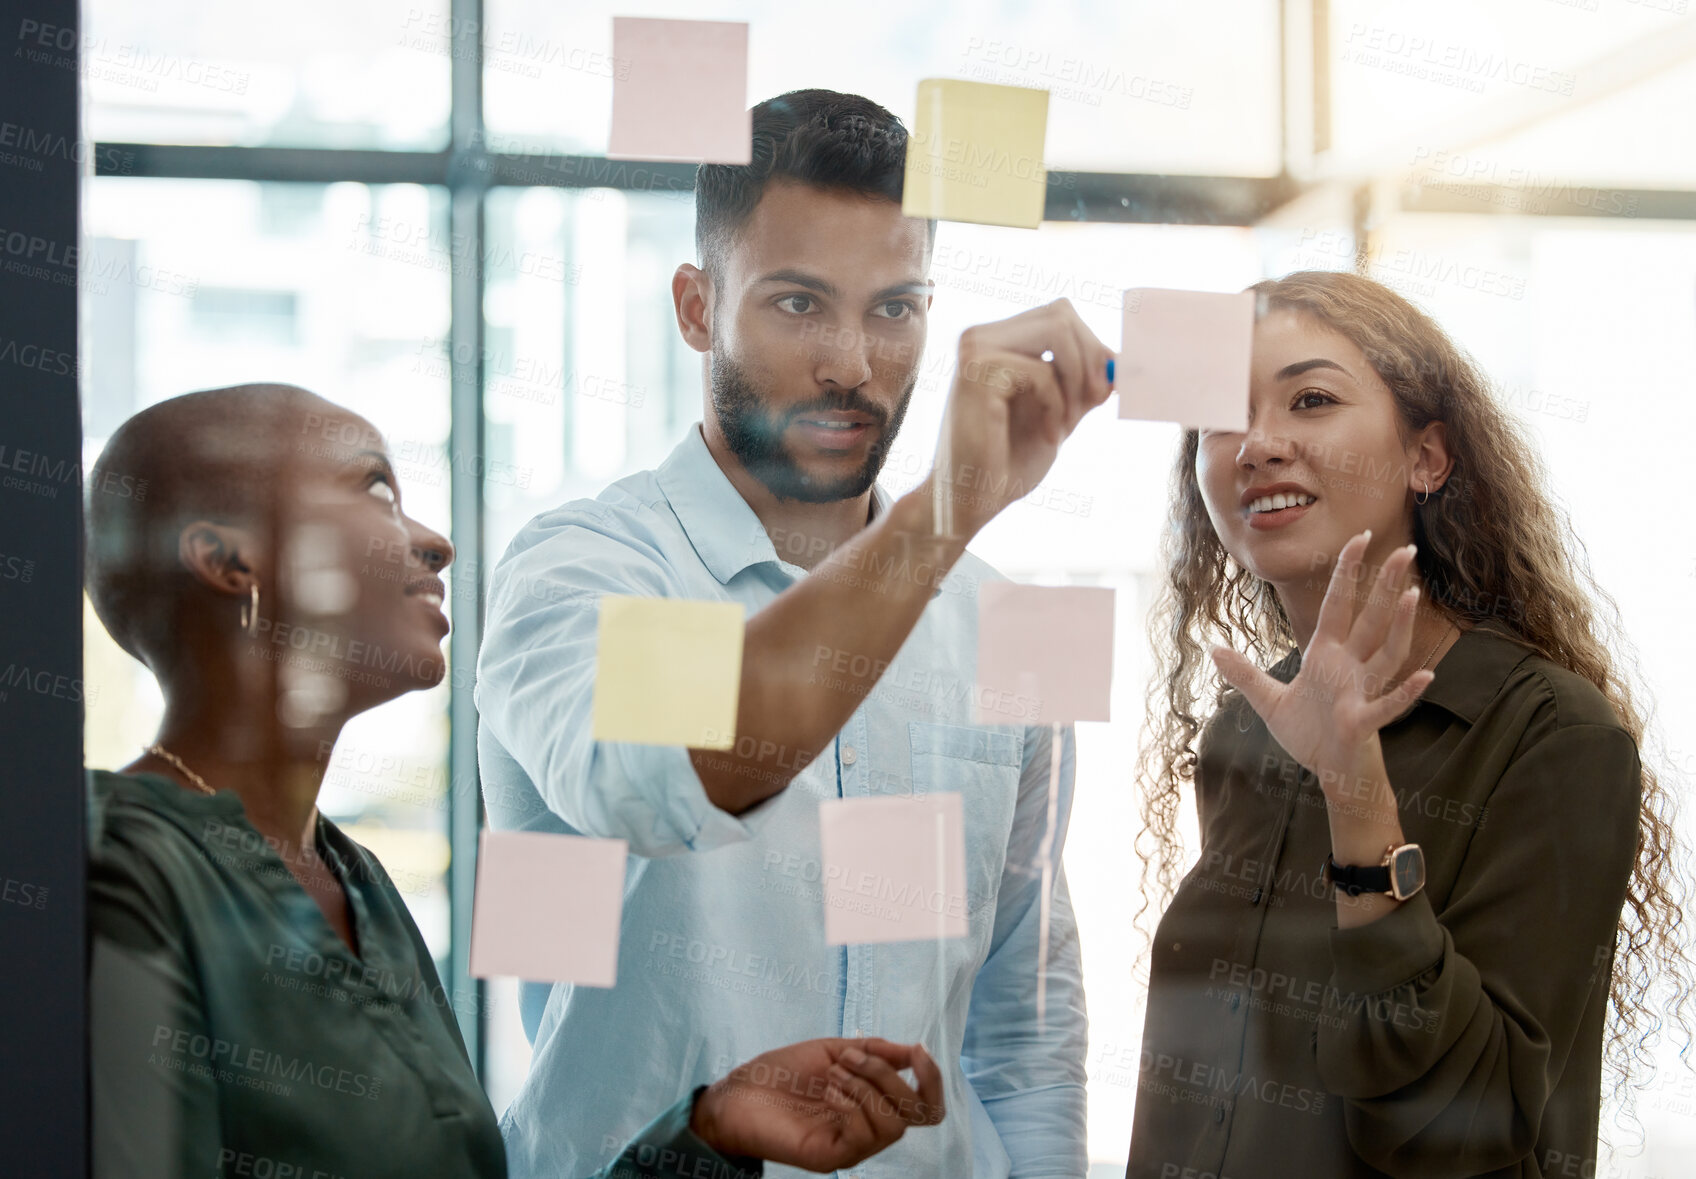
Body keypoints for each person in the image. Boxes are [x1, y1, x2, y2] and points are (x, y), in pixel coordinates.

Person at [476, 89, 1113, 1178]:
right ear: (695, 307)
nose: (852, 364)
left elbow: (1022, 1018)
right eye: (796, 305)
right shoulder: (593, 572)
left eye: (894, 309)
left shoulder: (1006, 619)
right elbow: (671, 775)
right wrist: (945, 513)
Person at [84, 383, 946, 1178]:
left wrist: (710, 1130)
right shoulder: (120, 870)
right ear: (229, 559)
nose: (435, 540)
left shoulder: (358, 881)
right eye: (376, 491)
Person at [1124, 271, 1693, 1177]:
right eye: (1220, 418)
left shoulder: (1553, 738)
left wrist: (1357, 791)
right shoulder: (1244, 729)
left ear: (1427, 457)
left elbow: (1458, 1124)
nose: (1258, 443)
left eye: (1311, 399)